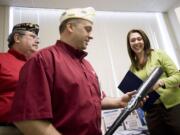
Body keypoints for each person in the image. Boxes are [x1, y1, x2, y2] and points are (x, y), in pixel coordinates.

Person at [10, 7, 145, 135]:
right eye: (87, 29)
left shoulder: (87, 65)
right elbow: (27, 119)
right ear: (70, 27)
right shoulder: (42, 60)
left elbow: (95, 99)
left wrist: (119, 101)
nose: (90, 35)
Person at [126, 29, 180, 135]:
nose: (136, 42)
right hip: (151, 112)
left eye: (139, 39)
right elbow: (136, 92)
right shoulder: (132, 68)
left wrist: (161, 82)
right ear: (129, 44)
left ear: (144, 40)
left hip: (173, 107)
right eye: (132, 40)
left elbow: (178, 76)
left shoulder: (158, 54)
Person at [0, 22, 39, 134]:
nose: (37, 41)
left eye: (37, 38)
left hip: (34, 126)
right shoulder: (1, 60)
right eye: (32, 36)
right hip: (6, 127)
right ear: (17, 38)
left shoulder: (37, 65)